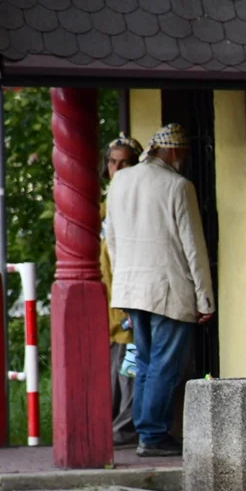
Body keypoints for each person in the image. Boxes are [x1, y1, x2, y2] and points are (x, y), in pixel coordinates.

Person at [105, 124, 214, 457]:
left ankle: (145, 431)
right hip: (167, 290)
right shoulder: (179, 186)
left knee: (145, 362)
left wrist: (121, 284)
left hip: (131, 288)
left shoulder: (121, 181)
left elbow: (112, 240)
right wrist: (205, 298)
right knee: (165, 366)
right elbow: (193, 247)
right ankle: (152, 435)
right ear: (175, 152)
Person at [99, 133, 142, 447]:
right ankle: (112, 426)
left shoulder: (136, 202)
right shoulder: (105, 205)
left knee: (130, 364)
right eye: (113, 163)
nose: (118, 169)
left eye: (125, 163)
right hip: (107, 297)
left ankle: (125, 428)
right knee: (115, 365)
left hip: (128, 295)